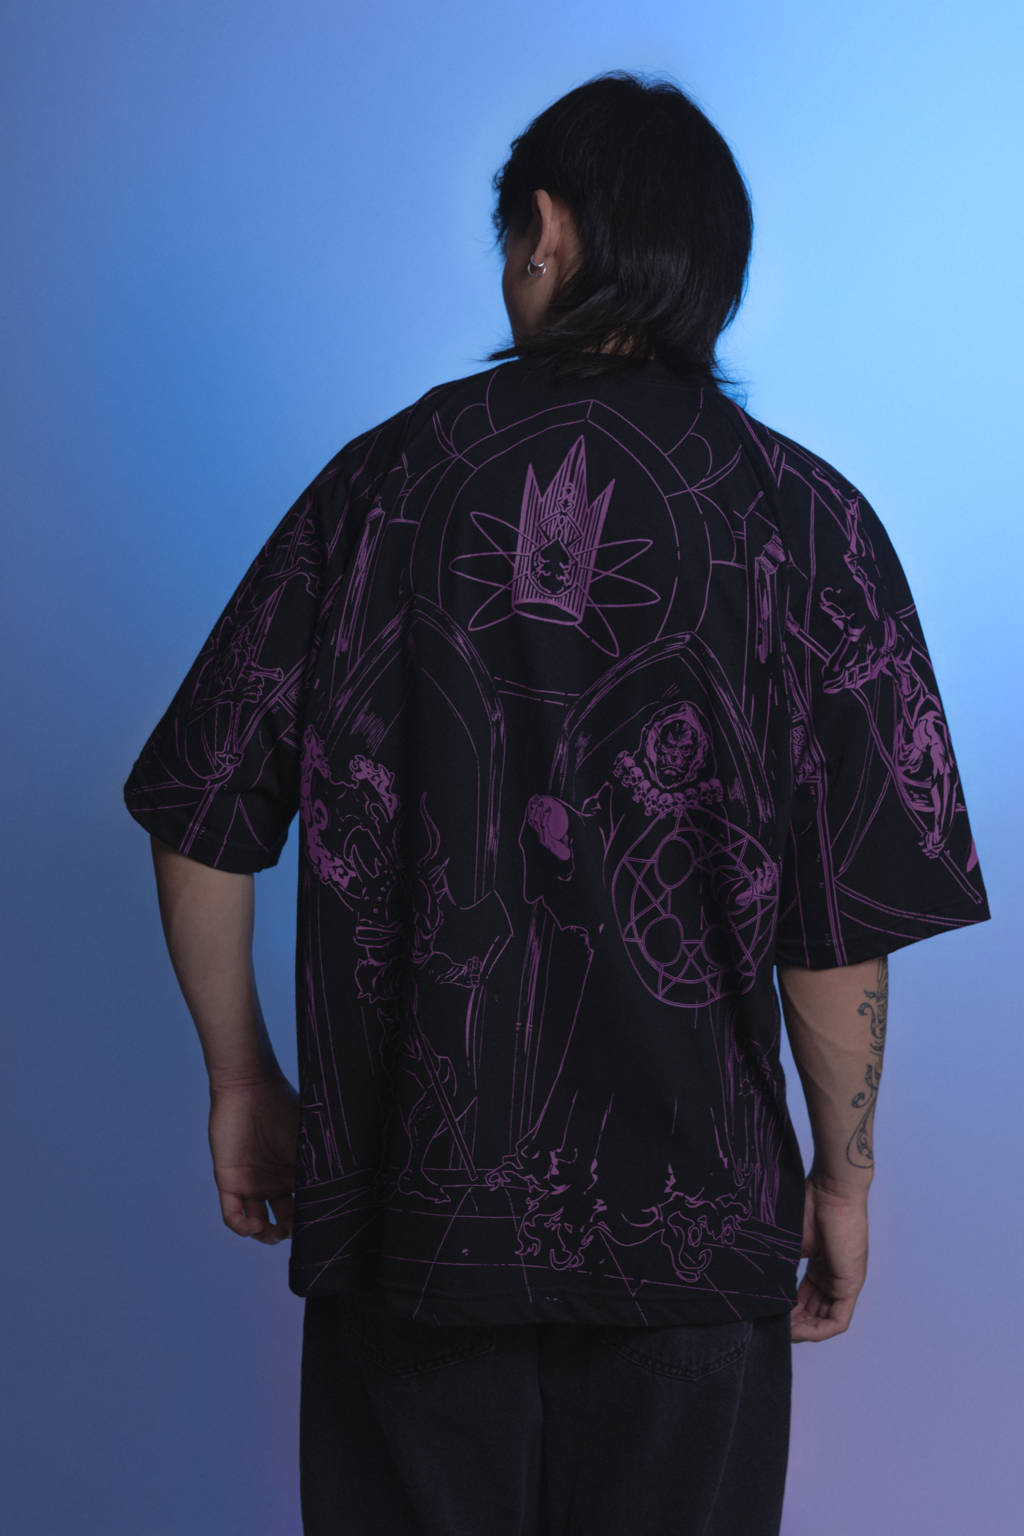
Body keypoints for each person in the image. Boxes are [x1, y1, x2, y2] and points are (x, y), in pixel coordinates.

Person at [125, 73, 989, 1536]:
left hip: (411, 1220)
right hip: (695, 1236)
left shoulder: (381, 488)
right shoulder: (812, 526)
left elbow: (201, 810)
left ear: (547, 228)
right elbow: (838, 927)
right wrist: (842, 1179)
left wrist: (242, 1081)